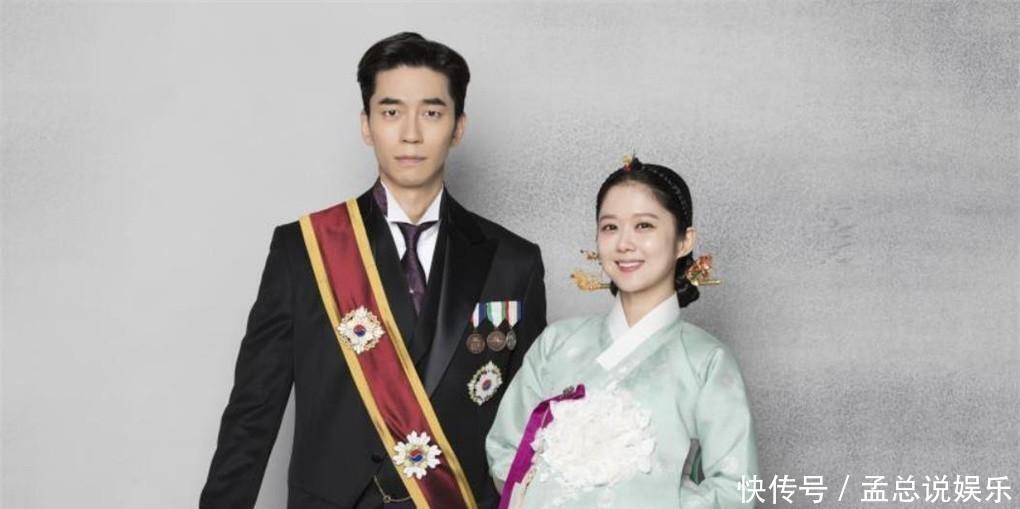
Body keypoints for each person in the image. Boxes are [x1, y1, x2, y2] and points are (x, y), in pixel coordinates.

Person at [200, 32, 547, 509]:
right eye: (391, 112)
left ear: (458, 127)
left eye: (432, 113)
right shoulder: (305, 249)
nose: (411, 134)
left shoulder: (513, 261)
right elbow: (253, 412)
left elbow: (529, 424)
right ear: (366, 125)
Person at [486, 157, 758, 508]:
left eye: (644, 226)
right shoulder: (558, 343)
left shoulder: (707, 361)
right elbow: (505, 449)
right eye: (610, 227)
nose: (624, 243)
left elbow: (736, 489)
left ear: (684, 241)